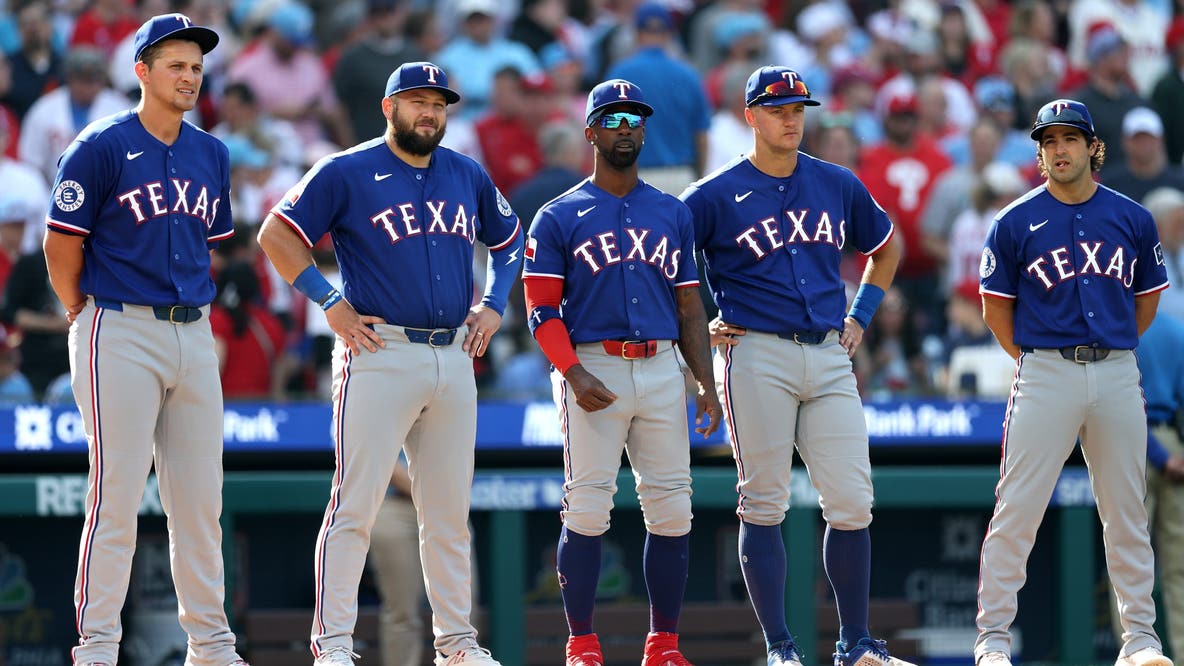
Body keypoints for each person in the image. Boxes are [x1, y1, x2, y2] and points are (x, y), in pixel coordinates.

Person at [256, 60, 522, 666]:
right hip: (380, 350)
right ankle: (333, 644)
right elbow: (277, 233)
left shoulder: (465, 172)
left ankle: (457, 643)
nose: (430, 113)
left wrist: (493, 303)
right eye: (418, 101)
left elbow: (510, 242)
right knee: (354, 505)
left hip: (454, 353)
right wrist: (329, 301)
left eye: (439, 104)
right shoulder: (347, 169)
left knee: (449, 514)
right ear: (389, 107)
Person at [679, 65, 907, 666]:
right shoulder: (712, 193)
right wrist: (698, 326)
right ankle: (781, 647)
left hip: (829, 350)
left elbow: (886, 248)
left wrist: (861, 315)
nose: (791, 119)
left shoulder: (835, 181)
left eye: (798, 109)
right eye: (778, 110)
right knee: (763, 501)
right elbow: (661, 263)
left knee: (852, 501)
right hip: (756, 351)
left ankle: (856, 643)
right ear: (750, 116)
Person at [42, 13, 248, 666]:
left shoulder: (212, 152)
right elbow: (60, 245)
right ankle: (98, 648)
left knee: (201, 506)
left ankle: (211, 646)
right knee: (117, 497)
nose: (189, 76)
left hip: (192, 332)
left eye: (196, 67)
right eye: (175, 65)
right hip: (119, 326)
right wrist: (80, 310)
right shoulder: (99, 145)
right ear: (142, 71)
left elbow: (208, 244)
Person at [521, 77, 722, 666]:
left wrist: (705, 383)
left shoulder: (672, 212)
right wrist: (572, 372)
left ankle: (664, 645)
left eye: (634, 119)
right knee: (587, 506)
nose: (625, 129)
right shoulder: (558, 215)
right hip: (593, 362)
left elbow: (690, 307)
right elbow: (540, 310)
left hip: (661, 365)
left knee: (673, 508)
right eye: (612, 119)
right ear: (590, 132)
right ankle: (582, 644)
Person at [975, 99, 1172, 666]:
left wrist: (1108, 349)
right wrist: (1039, 360)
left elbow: (1146, 302)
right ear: (1040, 153)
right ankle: (992, 640)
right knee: (1017, 508)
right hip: (1045, 370)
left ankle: (1140, 640)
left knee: (1126, 510)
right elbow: (995, 309)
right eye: (1049, 141)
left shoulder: (1133, 218)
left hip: (1116, 369)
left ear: (1092, 147)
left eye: (1069, 139)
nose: (1058, 150)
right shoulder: (1014, 221)